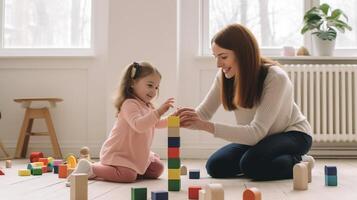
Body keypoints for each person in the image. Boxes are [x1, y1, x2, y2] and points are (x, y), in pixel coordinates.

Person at [177, 24, 313, 181]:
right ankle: (264, 161)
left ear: (242, 54)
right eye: (216, 57)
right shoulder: (224, 76)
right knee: (216, 166)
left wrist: (206, 126)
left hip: (292, 134)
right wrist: (180, 119)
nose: (218, 64)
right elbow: (203, 114)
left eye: (223, 57)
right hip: (260, 138)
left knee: (251, 164)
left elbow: (256, 132)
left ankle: (301, 161)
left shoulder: (275, 77)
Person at [67, 62, 174, 185]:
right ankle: (91, 169)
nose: (154, 91)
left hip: (134, 153)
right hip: (120, 153)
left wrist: (174, 119)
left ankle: (134, 168)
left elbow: (155, 123)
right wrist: (159, 111)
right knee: (128, 176)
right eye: (150, 85)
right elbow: (139, 125)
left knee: (157, 169)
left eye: (156, 87)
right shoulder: (130, 104)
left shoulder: (147, 106)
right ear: (133, 83)